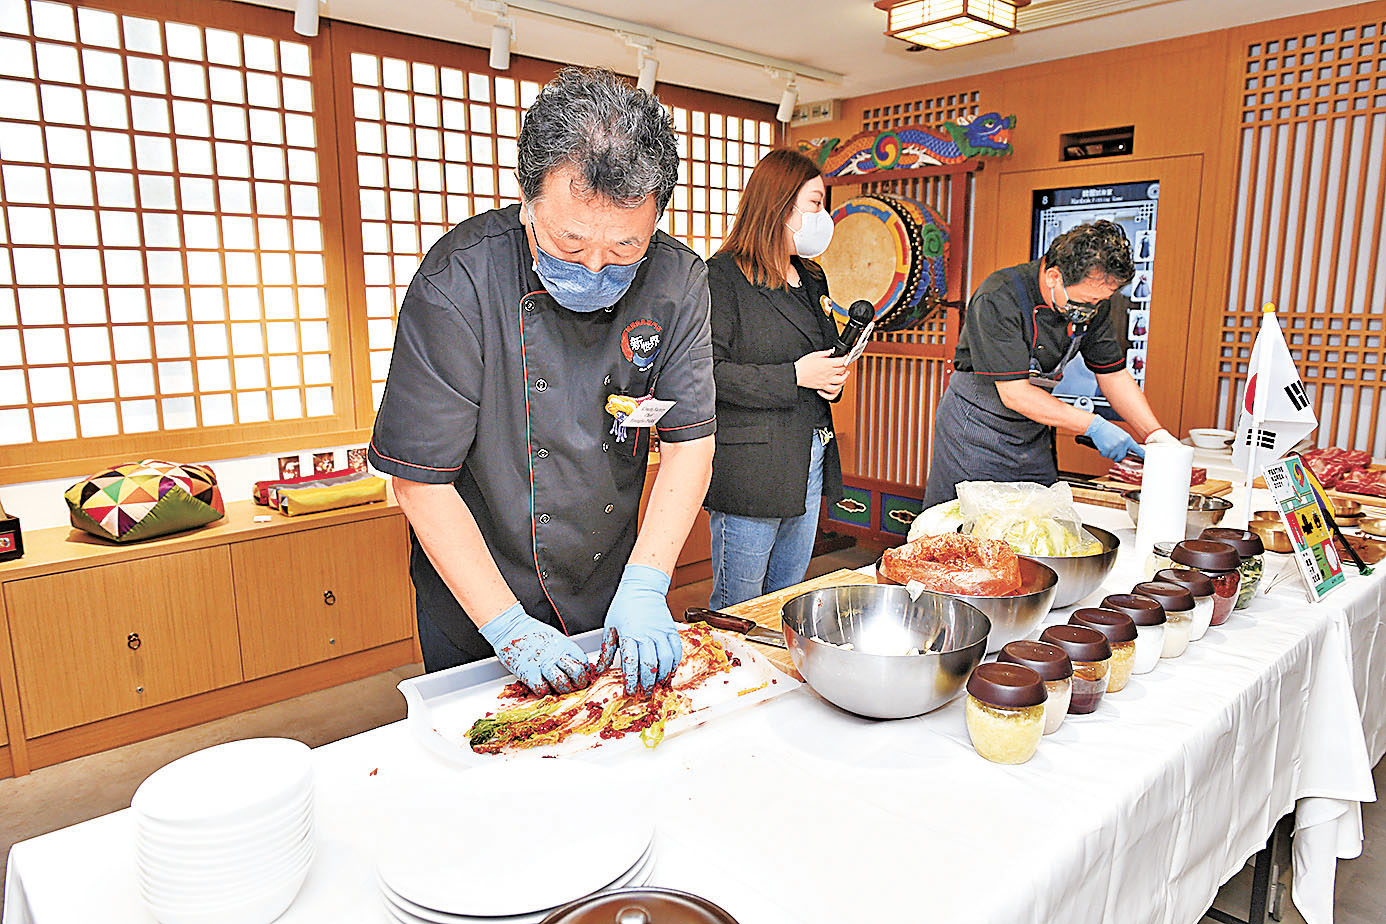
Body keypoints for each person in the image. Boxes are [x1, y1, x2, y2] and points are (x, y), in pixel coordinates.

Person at [368, 68, 716, 698]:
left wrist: (646, 582)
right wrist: (507, 626)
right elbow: (419, 481)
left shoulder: (677, 281)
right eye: (570, 242)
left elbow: (691, 444)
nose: (594, 266)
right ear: (527, 203)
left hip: (609, 576)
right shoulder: (459, 282)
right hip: (479, 591)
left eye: (623, 248)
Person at [922, 220, 1175, 507]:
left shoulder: (1094, 304)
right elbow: (1014, 393)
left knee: (1039, 520)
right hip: (978, 427)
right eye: (1088, 300)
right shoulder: (999, 296)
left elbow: (1112, 374)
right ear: (1054, 276)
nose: (1092, 310)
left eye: (1101, 301)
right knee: (969, 525)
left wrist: (1155, 434)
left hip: (1032, 428)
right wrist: (1094, 426)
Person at [703, 149, 848, 608]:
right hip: (752, 465)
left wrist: (830, 377)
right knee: (739, 604)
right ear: (780, 204)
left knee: (786, 597)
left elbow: (819, 350)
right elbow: (707, 372)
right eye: (816, 203)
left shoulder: (811, 275)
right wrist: (794, 376)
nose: (823, 216)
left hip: (808, 451)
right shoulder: (723, 275)